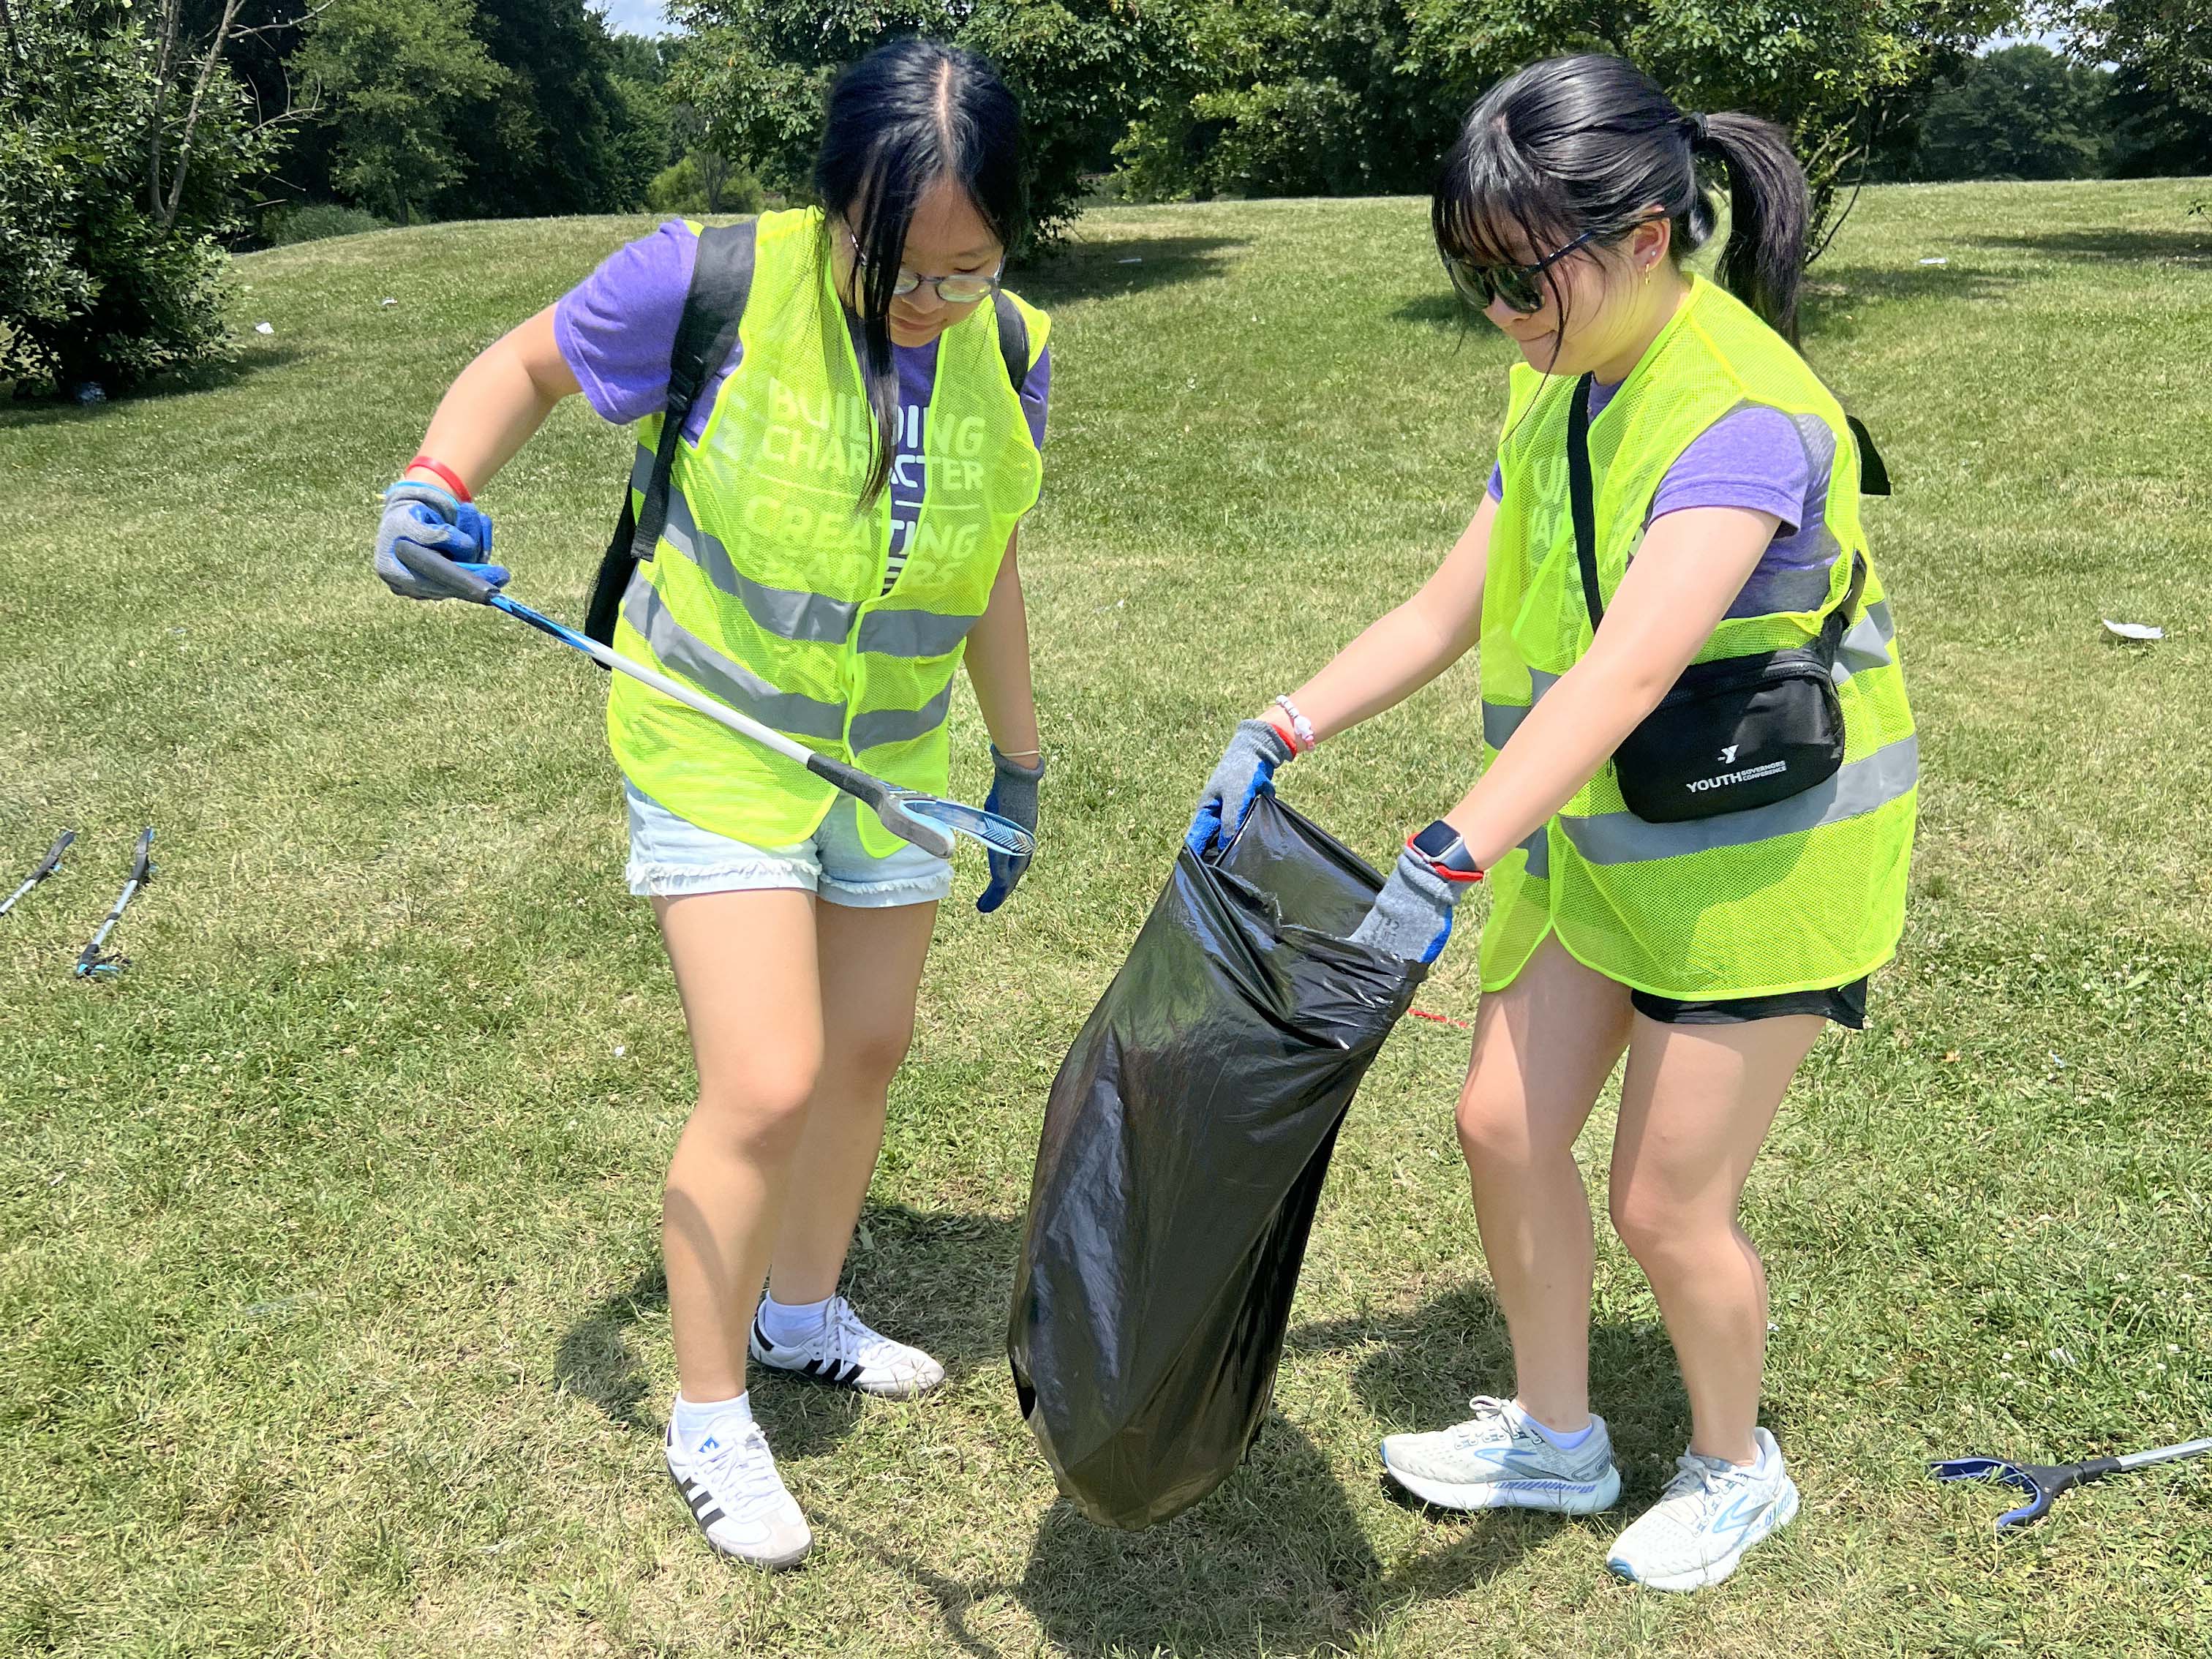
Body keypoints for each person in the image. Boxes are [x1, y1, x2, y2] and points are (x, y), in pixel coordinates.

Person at [1193, 53, 1915, 1592]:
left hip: (1761, 869)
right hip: (1609, 841)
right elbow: (1456, 601)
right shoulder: (1559, 381)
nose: (1501, 314)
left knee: (1668, 1202)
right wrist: (1286, 719)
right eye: (1475, 277)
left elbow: (1631, 664)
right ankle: (1559, 1433)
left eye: (1525, 279)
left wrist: (1449, 848)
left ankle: (1737, 1465)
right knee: (1504, 1125)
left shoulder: (1744, 420)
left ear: (1649, 237)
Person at [372, 40, 1053, 1570]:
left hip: (890, 760)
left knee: (865, 1054)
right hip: (716, 741)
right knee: (767, 1078)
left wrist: (1015, 760)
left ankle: (803, 1309)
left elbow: (988, 554)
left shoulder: (1011, 347)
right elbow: (525, 364)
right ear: (836, 208)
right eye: (899, 267)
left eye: (968, 268)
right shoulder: (709, 280)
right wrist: (435, 481)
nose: (927, 304)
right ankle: (707, 1410)